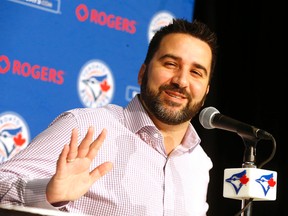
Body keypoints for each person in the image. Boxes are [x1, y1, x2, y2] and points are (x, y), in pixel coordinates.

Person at [0, 18, 218, 216]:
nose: (181, 81)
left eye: (196, 72)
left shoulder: (199, 163)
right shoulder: (86, 126)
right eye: (171, 64)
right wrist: (47, 193)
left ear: (206, 90)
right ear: (143, 72)